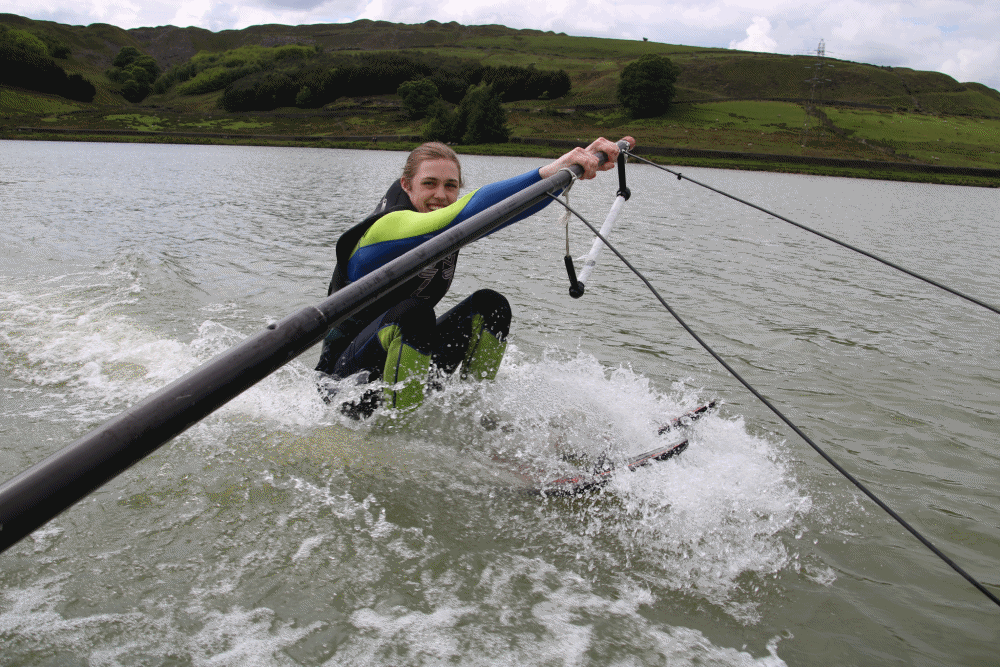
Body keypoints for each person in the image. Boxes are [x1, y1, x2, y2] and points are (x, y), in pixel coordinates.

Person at [317, 136, 633, 417]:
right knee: (414, 314)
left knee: (490, 305)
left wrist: (566, 174)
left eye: (450, 186)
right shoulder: (384, 230)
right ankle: (401, 445)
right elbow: (470, 210)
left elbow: (505, 210)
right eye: (429, 184)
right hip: (345, 384)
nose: (440, 194)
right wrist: (549, 171)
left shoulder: (444, 224)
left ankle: (477, 426)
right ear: (406, 185)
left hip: (400, 366)